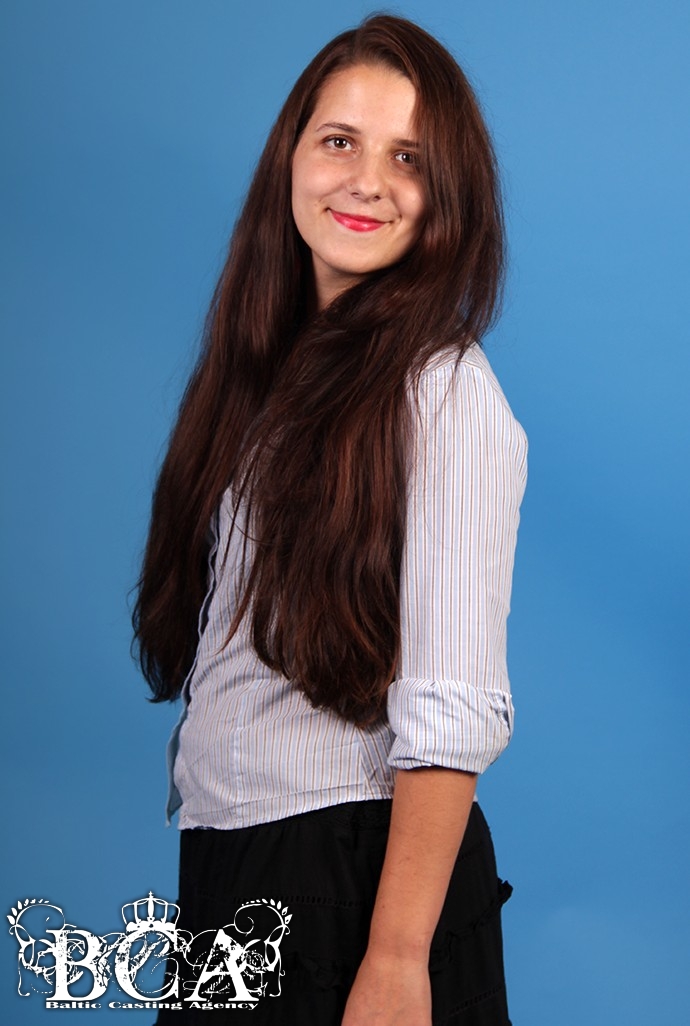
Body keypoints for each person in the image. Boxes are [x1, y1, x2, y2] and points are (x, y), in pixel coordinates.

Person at [133, 13, 527, 1026]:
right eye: (340, 140)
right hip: (237, 866)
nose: (367, 182)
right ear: (290, 156)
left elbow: (452, 705)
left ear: (448, 195)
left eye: (409, 158)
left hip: (352, 880)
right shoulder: (264, 381)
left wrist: (395, 963)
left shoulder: (442, 390)